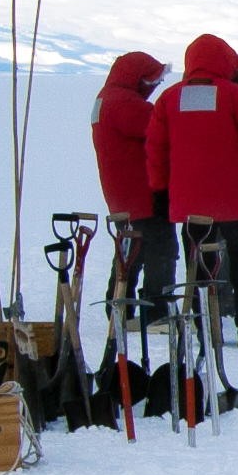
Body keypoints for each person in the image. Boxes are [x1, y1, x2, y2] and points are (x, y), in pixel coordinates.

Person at [144, 33, 238, 349]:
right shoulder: (236, 97)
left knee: (198, 267)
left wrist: (159, 191)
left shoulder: (168, 100)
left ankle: (203, 327)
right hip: (236, 202)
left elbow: (156, 150)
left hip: (192, 205)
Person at [91, 50, 173, 323]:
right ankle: (156, 311)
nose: (153, 88)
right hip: (143, 193)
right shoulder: (126, 103)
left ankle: (118, 308)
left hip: (120, 195)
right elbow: (162, 129)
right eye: (151, 82)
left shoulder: (105, 99)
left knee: (129, 255)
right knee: (160, 251)